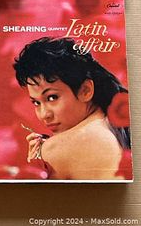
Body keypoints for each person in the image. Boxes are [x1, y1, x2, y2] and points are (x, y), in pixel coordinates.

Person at [13, 37, 130, 180]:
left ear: (85, 90)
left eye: (52, 97)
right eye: (36, 103)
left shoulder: (53, 150)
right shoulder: (110, 124)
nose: (44, 115)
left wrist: (39, 159)